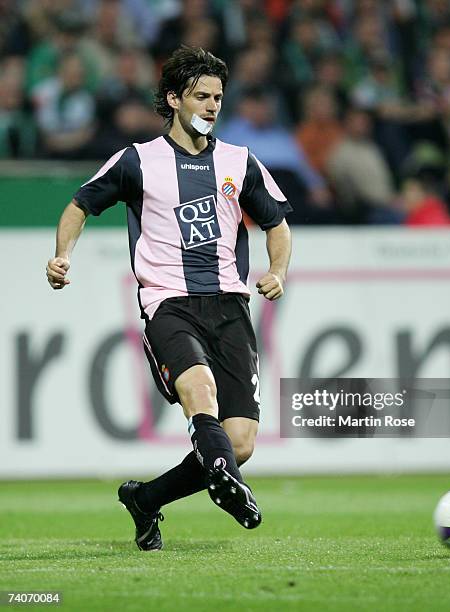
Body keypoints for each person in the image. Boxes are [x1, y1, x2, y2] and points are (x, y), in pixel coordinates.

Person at [45, 45, 292, 551]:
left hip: (230, 307)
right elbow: (79, 205)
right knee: (199, 393)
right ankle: (228, 486)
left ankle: (148, 498)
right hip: (168, 305)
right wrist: (61, 255)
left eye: (219, 97)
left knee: (239, 442)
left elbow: (277, 225)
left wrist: (279, 270)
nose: (212, 106)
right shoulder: (137, 161)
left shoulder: (238, 162)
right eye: (202, 96)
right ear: (174, 99)